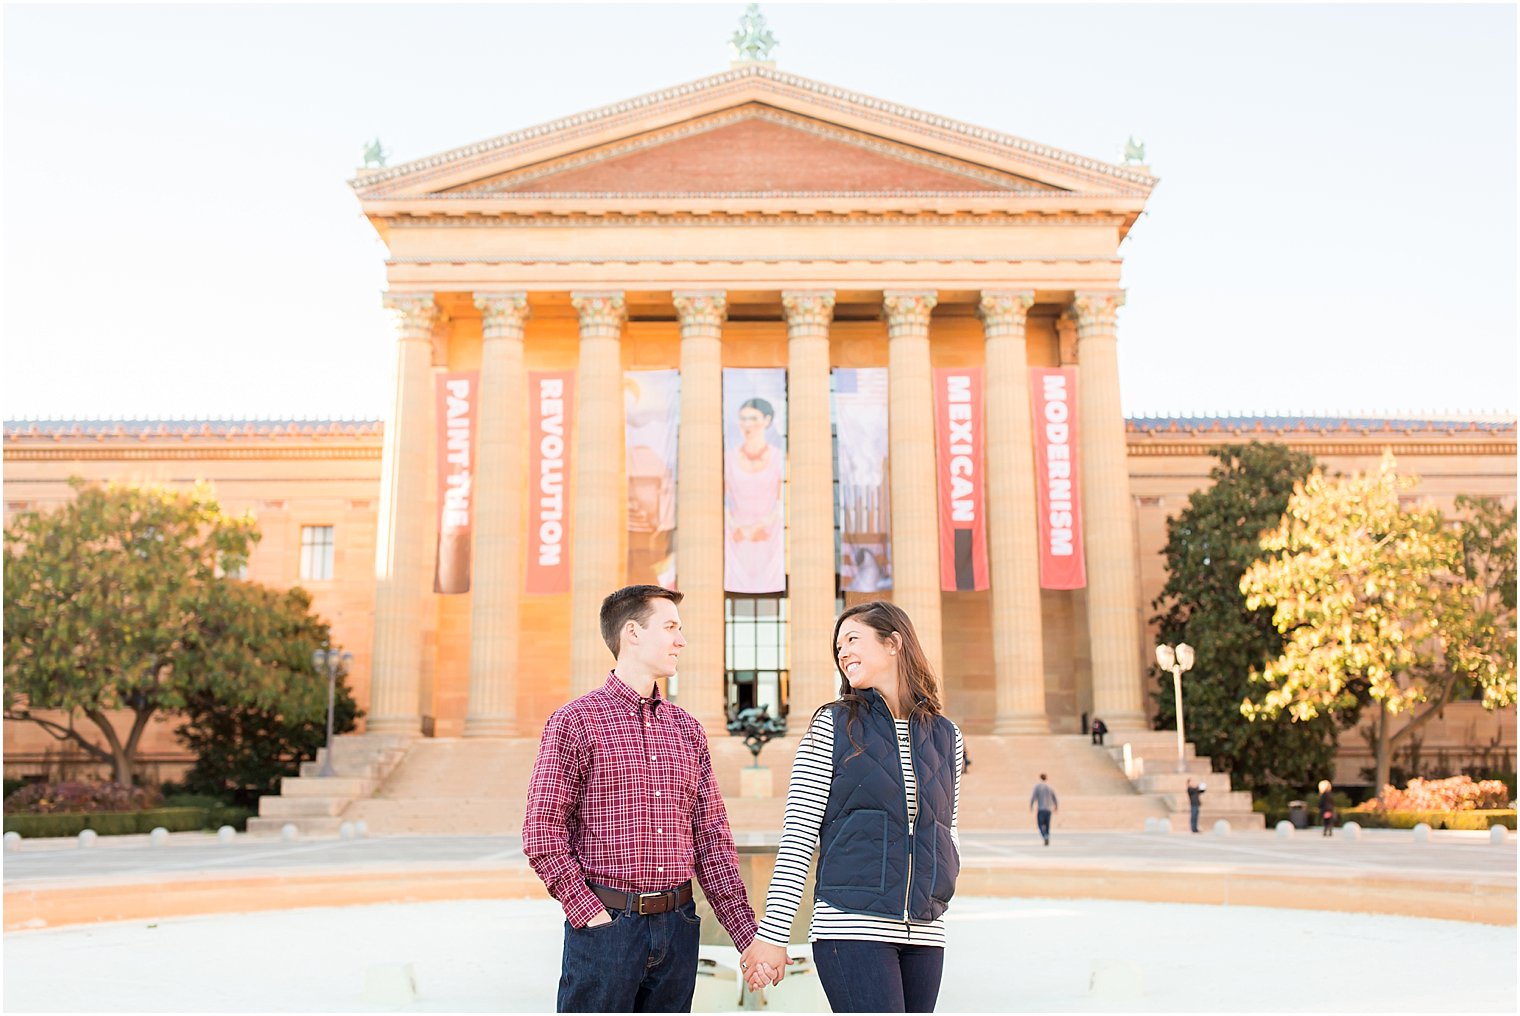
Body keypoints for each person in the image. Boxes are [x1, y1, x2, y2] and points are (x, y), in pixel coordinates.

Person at [522, 585, 760, 1012]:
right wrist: (588, 913)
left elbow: (711, 838)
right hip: (607, 929)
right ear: (632, 632)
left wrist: (746, 936)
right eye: (670, 627)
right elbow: (543, 830)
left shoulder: (687, 729)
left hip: (679, 928)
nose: (681, 640)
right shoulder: (575, 721)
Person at [742, 601, 964, 1013]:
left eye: (852, 639)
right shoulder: (833, 724)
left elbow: (947, 829)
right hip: (851, 925)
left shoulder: (946, 736)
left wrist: (941, 890)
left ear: (894, 643)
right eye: (838, 645)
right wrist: (773, 936)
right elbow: (799, 834)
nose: (842, 652)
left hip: (925, 933)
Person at [725, 397, 785, 593]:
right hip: (737, 538)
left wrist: (755, 528)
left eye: (753, 418)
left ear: (767, 420)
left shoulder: (779, 458)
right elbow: (725, 503)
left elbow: (780, 502)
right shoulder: (729, 458)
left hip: (767, 537)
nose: (747, 424)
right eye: (743, 419)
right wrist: (740, 527)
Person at [1030, 773, 1058, 846]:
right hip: (1048, 809)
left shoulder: (1038, 787)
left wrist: (1031, 805)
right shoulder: (1050, 787)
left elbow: (1033, 797)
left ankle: (1045, 836)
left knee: (1040, 824)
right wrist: (1056, 806)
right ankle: (1047, 836)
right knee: (1047, 825)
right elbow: (1054, 797)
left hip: (1041, 809)